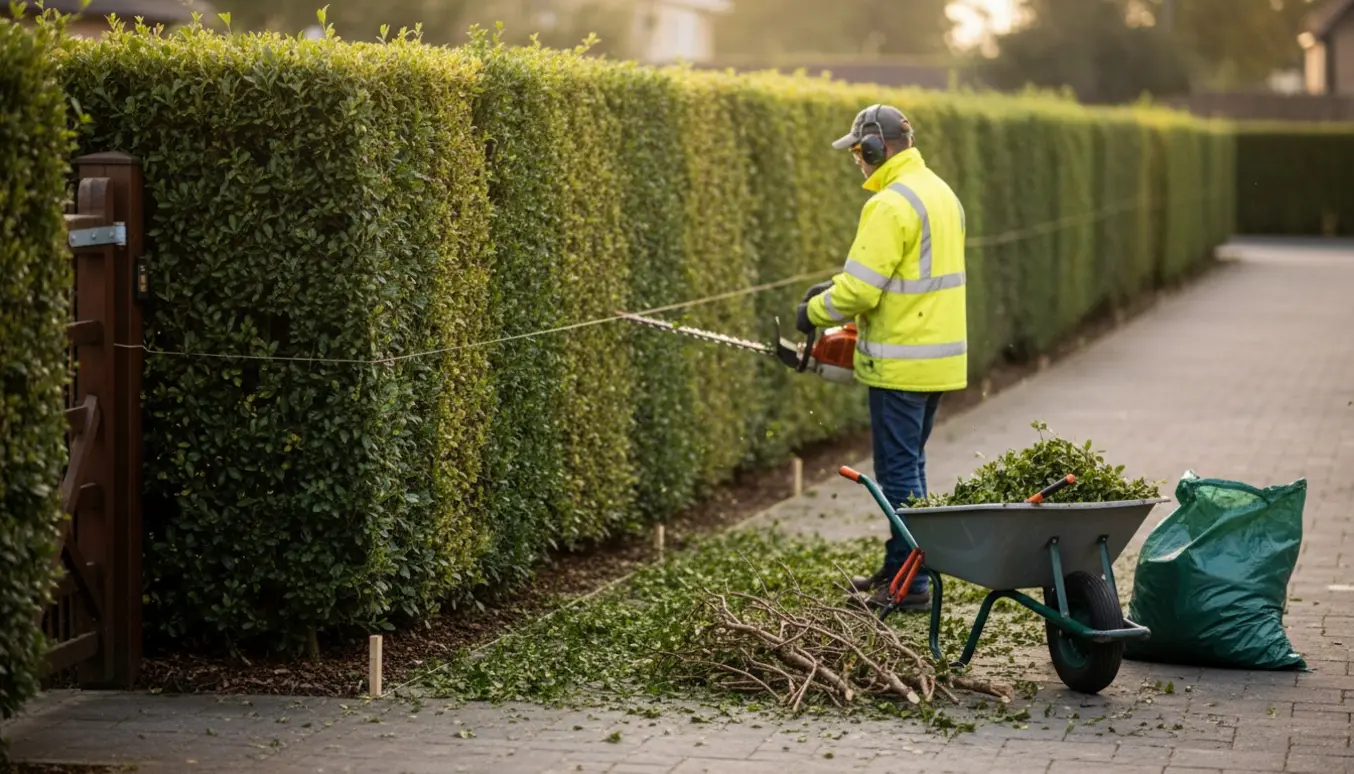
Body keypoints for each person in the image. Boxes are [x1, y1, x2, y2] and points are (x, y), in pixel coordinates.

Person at [797, 104, 968, 611]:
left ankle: (909, 585)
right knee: (910, 467)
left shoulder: (891, 204)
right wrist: (841, 290)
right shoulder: (940, 192)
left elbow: (861, 291)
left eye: (857, 151)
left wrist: (814, 308)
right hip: (937, 359)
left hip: (902, 363)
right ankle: (899, 569)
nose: (856, 160)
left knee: (897, 477)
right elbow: (900, 279)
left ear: (875, 148)